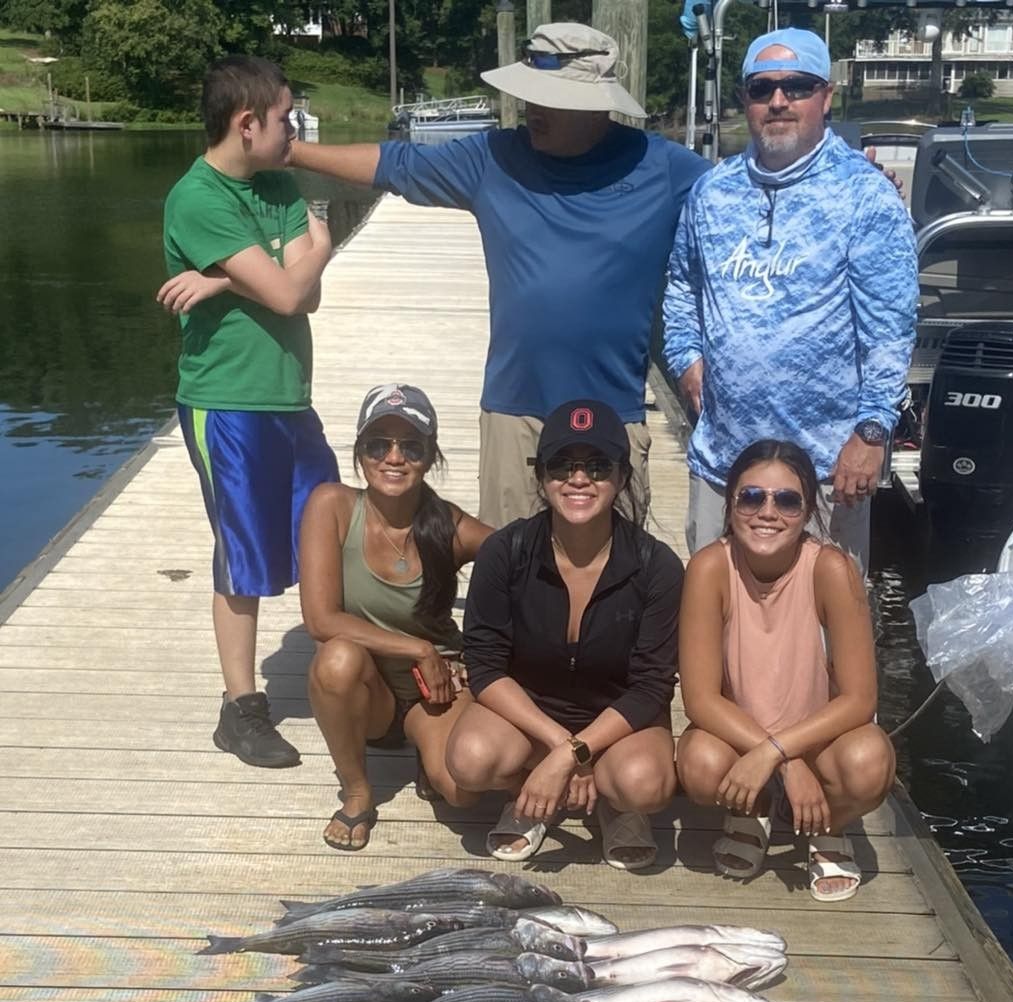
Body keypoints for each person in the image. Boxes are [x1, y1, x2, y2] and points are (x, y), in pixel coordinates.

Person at [286, 22, 712, 528]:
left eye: (547, 97)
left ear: (597, 104)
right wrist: (288, 153)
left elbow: (744, 218)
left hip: (612, 410)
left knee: (612, 583)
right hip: (515, 412)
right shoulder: (493, 158)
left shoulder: (663, 168)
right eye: (527, 93)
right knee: (511, 569)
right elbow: (395, 165)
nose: (531, 107)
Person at [664, 28, 919, 572]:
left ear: (825, 97)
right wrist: (687, 359)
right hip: (723, 462)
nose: (778, 101)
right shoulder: (711, 191)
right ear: (746, 101)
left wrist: (872, 432)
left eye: (796, 86)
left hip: (828, 466)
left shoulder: (865, 194)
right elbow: (682, 287)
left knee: (825, 636)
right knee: (716, 622)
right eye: (762, 89)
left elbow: (890, 329)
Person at [158, 55, 338, 768]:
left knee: (327, 532)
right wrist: (299, 258)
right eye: (285, 116)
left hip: (291, 398)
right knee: (245, 554)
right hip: (226, 402)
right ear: (246, 123)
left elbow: (303, 293)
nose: (291, 128)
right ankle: (241, 709)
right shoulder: (197, 198)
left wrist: (225, 281)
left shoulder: (279, 185)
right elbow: (293, 288)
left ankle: (356, 681)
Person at [445, 400, 683, 870]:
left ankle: (618, 803)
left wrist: (582, 749)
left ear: (622, 477)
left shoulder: (658, 566)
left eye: (598, 465)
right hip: (531, 715)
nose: (579, 479)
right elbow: (486, 664)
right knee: (470, 760)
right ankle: (529, 789)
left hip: (619, 722)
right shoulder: (504, 551)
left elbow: (653, 685)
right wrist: (561, 749)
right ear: (541, 476)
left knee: (646, 784)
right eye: (562, 465)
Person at [677, 439, 895, 901]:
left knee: (871, 763)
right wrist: (780, 760)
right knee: (698, 763)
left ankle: (829, 823)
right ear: (731, 501)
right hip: (741, 739)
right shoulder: (709, 567)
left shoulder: (831, 568)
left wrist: (783, 751)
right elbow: (699, 699)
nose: (767, 512)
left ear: (808, 509)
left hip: (816, 738)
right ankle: (750, 810)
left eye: (787, 500)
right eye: (751, 497)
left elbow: (860, 699)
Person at [299, 384, 492, 851]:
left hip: (437, 690)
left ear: (430, 456)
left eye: (410, 445)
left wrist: (487, 661)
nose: (393, 457)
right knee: (335, 659)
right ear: (360, 454)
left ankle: (428, 757)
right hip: (369, 692)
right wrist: (417, 648)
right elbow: (321, 619)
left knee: (464, 791)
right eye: (377, 444)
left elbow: (531, 560)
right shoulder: (333, 505)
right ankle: (357, 791)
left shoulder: (451, 524)